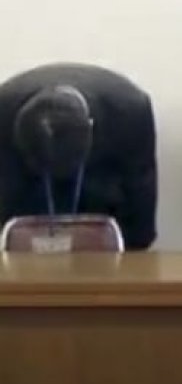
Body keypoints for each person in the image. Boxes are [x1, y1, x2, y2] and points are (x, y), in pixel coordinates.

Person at [0, 63, 158, 249]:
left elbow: (139, 190)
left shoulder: (130, 111)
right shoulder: (3, 111)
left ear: (90, 127)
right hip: (29, 185)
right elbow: (6, 194)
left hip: (98, 185)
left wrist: (134, 252)